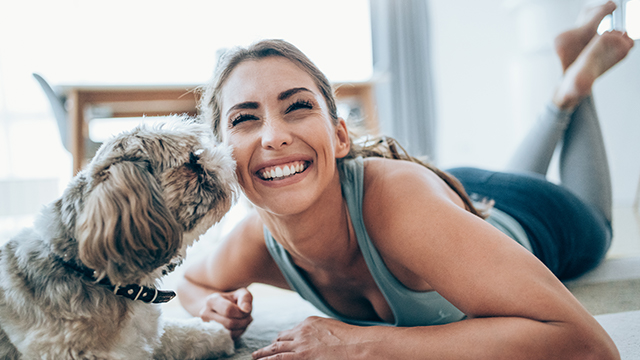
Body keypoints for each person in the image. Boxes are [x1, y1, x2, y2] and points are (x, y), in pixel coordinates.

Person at [177, 1, 634, 358]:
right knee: (499, 184)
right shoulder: (256, 241)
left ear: (339, 137)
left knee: (601, 224)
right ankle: (563, 88)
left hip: (536, 217)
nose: (274, 137)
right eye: (244, 118)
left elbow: (589, 346)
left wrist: (362, 345)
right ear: (222, 155)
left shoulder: (397, 199)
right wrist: (209, 309)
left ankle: (574, 87)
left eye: (297, 106)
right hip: (459, 193)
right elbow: (190, 283)